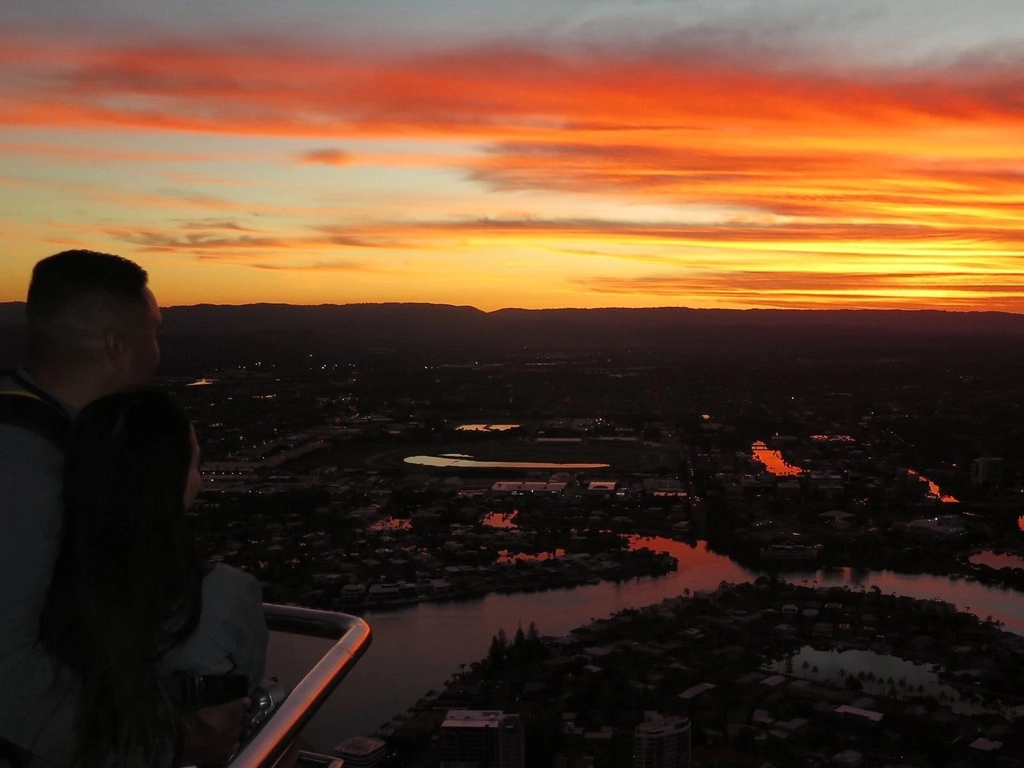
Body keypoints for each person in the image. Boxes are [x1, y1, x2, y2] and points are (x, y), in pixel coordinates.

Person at [0, 250, 247, 766]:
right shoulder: (22, 466)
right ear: (116, 345)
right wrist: (167, 745)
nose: (160, 348)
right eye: (154, 331)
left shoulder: (57, 437)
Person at [40, 390, 267, 768]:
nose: (202, 483)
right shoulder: (226, 593)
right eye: (195, 466)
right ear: (168, 482)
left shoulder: (49, 583)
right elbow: (244, 687)